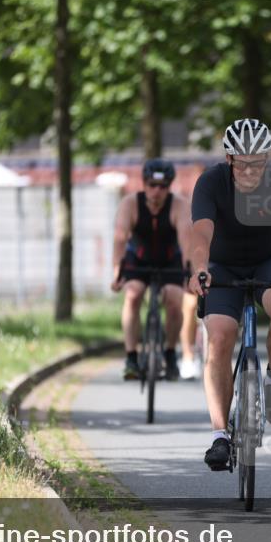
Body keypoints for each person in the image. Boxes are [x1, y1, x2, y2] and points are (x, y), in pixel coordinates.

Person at [186, 118, 271, 471]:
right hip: (222, 265)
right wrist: (199, 270)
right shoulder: (210, 183)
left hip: (269, 261)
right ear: (228, 158)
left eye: (257, 162)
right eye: (241, 162)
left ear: (268, 158)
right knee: (220, 336)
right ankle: (219, 436)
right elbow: (200, 236)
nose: (249, 170)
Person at [111, 159, 191, 381]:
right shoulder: (130, 204)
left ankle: (170, 353)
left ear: (170, 186)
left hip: (170, 260)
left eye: (163, 186)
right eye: (151, 185)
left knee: (175, 300)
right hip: (139, 260)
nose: (157, 191)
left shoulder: (179, 205)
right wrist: (117, 271)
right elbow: (119, 239)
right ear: (144, 184)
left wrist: (189, 273)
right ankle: (131, 357)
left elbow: (187, 242)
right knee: (133, 295)